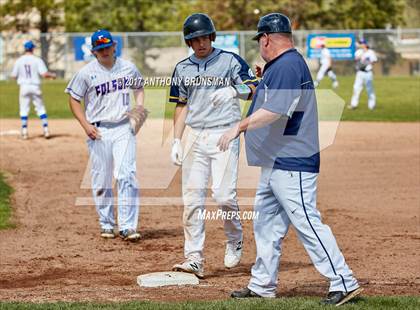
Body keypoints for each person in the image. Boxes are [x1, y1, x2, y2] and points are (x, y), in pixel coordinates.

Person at [216, 13, 363, 306]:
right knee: (267, 224)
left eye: (260, 39)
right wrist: (254, 87)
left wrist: (239, 126)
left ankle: (343, 281)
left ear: (267, 39)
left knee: (307, 221)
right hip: (277, 160)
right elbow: (267, 98)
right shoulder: (281, 66)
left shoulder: (287, 65)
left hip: (292, 159)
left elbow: (277, 110)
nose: (260, 44)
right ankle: (262, 285)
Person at [169, 13, 258, 278]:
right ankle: (194, 257)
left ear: (212, 36)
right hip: (195, 136)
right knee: (192, 199)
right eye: (194, 39)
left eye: (204, 37)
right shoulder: (182, 68)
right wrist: (176, 139)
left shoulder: (229, 60)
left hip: (225, 134)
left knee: (223, 196)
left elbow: (253, 87)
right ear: (189, 41)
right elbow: (181, 105)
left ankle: (234, 237)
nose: (200, 44)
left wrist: (234, 90)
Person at [65, 29, 146, 241]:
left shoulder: (128, 67)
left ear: (114, 46)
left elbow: (139, 87)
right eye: (100, 49)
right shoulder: (85, 73)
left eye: (107, 47)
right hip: (98, 130)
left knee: (126, 174)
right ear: (93, 51)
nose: (104, 51)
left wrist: (139, 107)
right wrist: (85, 125)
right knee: (102, 180)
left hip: (123, 128)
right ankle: (107, 223)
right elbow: (74, 99)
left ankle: (128, 226)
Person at [11, 40, 56, 139]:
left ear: (25, 49)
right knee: (40, 108)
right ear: (33, 48)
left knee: (24, 109)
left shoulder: (19, 60)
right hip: (35, 86)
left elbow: (13, 76)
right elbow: (44, 74)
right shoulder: (37, 60)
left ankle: (24, 131)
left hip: (24, 87)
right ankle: (46, 130)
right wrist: (52, 75)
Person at [349, 39, 378, 110]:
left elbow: (374, 60)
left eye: (361, 43)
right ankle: (353, 104)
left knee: (369, 89)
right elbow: (356, 58)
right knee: (356, 88)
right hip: (360, 72)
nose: (360, 45)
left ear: (365, 44)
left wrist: (367, 61)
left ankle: (372, 105)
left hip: (368, 72)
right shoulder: (358, 52)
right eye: (360, 43)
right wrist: (363, 54)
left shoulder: (371, 52)